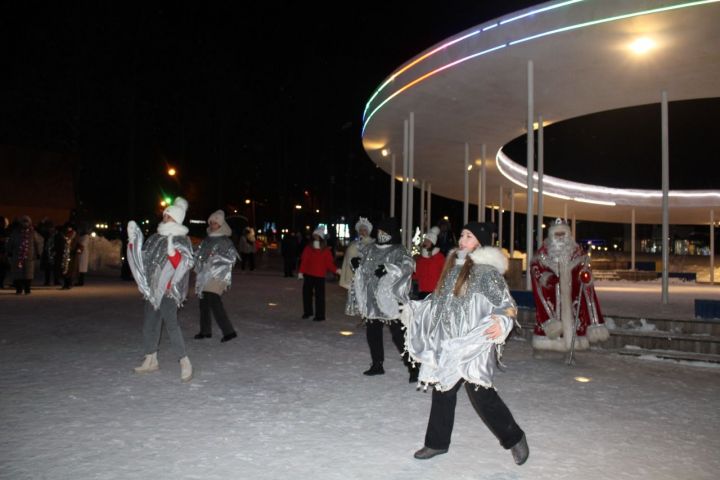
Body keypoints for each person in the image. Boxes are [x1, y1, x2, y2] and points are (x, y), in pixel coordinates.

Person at [402, 221, 529, 465]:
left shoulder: (486, 272)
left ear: (479, 243)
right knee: (443, 390)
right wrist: (415, 311)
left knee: (482, 396)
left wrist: (501, 322)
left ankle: (514, 438)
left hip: (474, 343)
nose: (462, 239)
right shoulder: (453, 269)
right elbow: (437, 302)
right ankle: (436, 443)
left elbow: (507, 305)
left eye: (469, 236)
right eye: (462, 235)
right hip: (450, 343)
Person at [126, 197, 194, 383]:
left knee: (171, 325)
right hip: (152, 290)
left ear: (177, 218)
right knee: (149, 324)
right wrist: (133, 243)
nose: (165, 217)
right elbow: (144, 259)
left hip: (169, 291)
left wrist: (174, 256)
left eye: (169, 216)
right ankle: (151, 359)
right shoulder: (155, 238)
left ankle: (184, 361)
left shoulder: (181, 239)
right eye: (164, 215)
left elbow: (185, 263)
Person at [346, 217, 416, 380]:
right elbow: (364, 266)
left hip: (390, 300)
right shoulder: (370, 248)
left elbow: (407, 267)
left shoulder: (399, 250)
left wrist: (388, 269)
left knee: (399, 334)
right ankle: (377, 364)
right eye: (380, 231)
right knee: (373, 332)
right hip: (372, 299)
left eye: (385, 232)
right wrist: (357, 264)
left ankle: (413, 367)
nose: (381, 234)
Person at [530, 218, 609, 352]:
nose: (560, 238)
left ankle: (570, 349)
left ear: (568, 234)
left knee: (574, 319)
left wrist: (585, 274)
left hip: (573, 296)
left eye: (563, 234)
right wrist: (546, 278)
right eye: (557, 234)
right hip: (553, 296)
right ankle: (542, 349)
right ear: (551, 235)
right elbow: (535, 270)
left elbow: (585, 271)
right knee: (548, 328)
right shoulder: (542, 255)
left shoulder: (577, 253)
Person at [193, 209, 240, 343]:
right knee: (203, 302)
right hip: (205, 276)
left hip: (217, 276)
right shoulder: (207, 239)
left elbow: (231, 258)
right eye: (211, 222)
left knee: (214, 301)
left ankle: (229, 331)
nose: (212, 225)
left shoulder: (225, 240)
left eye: (215, 223)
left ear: (221, 225)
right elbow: (199, 253)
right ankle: (205, 330)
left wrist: (216, 260)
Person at [298, 227, 341, 321]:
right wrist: (301, 271)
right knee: (306, 294)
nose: (316, 237)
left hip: (320, 276)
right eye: (315, 235)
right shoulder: (308, 248)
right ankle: (307, 312)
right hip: (308, 274)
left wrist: (336, 270)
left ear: (321, 237)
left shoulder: (326, 250)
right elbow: (304, 261)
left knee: (320, 297)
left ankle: (320, 315)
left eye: (318, 236)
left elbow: (329, 263)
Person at [6, 215, 43, 295]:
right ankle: (19, 289)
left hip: (29, 256)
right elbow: (11, 242)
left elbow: (38, 243)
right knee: (18, 273)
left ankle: (27, 288)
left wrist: (38, 252)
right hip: (17, 256)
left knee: (28, 273)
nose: (25, 224)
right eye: (23, 222)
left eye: (27, 222)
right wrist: (9, 251)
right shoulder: (16, 232)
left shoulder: (33, 233)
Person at [338, 217, 374, 290]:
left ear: (368, 231)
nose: (362, 232)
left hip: (365, 278)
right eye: (360, 230)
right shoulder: (353, 243)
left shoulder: (372, 244)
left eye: (364, 230)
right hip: (352, 277)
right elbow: (347, 260)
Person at [412, 226, 445, 299]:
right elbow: (417, 275)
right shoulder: (420, 259)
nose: (425, 242)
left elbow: (444, 273)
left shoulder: (439, 257)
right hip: (422, 292)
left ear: (433, 243)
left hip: (435, 293)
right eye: (425, 240)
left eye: (428, 241)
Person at [59, 223, 82, 290]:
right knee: (64, 270)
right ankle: (65, 284)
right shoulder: (63, 235)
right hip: (64, 255)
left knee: (71, 270)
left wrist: (79, 249)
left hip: (72, 255)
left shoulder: (75, 235)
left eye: (70, 227)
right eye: (67, 227)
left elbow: (79, 244)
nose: (68, 228)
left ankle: (69, 284)